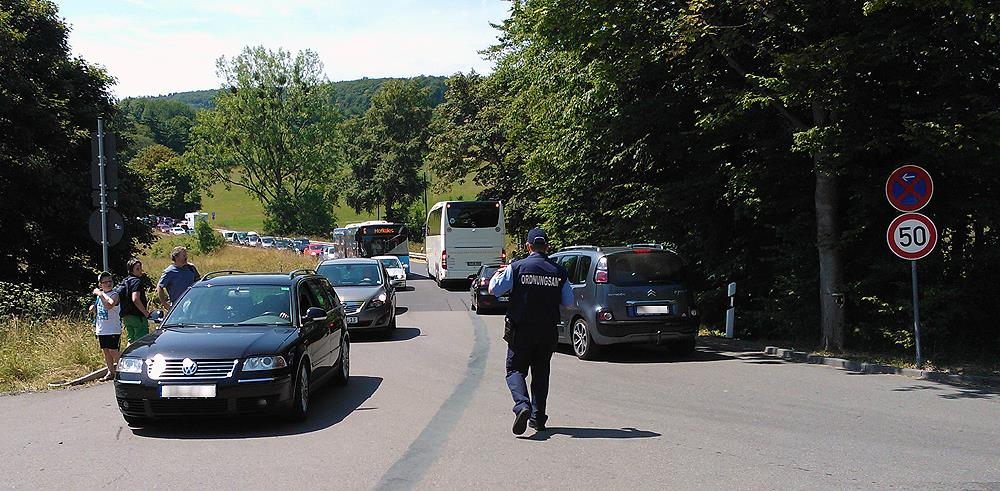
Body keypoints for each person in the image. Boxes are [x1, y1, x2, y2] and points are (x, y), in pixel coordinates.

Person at [489, 227, 574, 435]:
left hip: (521, 330)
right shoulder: (559, 272)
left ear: (528, 247)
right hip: (547, 332)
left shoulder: (517, 267)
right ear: (547, 246)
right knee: (541, 373)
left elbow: (493, 289)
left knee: (515, 370)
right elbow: (569, 303)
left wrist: (501, 273)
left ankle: (522, 405)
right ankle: (538, 418)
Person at [88, 272, 121, 381]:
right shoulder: (99, 296)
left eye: (110, 281)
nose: (108, 284)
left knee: (113, 351)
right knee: (106, 351)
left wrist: (101, 295)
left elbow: (109, 306)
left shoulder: (114, 295)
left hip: (113, 329)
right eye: (105, 282)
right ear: (100, 284)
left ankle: (123, 370)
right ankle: (110, 372)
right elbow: (98, 309)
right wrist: (93, 308)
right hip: (102, 329)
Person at [117, 258, 152, 345]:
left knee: (131, 340)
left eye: (140, 268)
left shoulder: (125, 281)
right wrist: (146, 313)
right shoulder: (137, 281)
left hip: (127, 317)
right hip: (137, 317)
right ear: (131, 270)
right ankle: (139, 358)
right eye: (137, 269)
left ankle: (128, 358)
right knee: (141, 342)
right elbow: (135, 299)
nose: (140, 271)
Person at [157, 246, 200, 312]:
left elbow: (199, 282)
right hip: (178, 305)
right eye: (184, 255)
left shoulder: (191, 268)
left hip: (194, 304)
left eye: (186, 255)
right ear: (176, 257)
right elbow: (160, 287)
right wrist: (165, 304)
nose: (186, 258)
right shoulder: (169, 271)